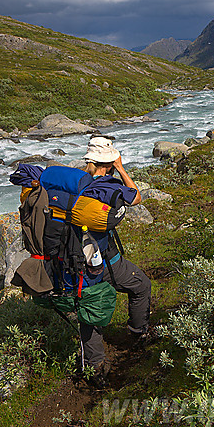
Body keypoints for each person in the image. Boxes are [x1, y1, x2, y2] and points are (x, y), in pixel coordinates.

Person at [79, 136, 153, 384]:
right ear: (109, 162)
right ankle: (138, 333)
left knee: (90, 306)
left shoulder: (77, 183)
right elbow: (135, 197)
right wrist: (121, 168)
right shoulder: (109, 184)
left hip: (73, 260)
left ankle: (95, 368)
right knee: (141, 284)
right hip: (104, 259)